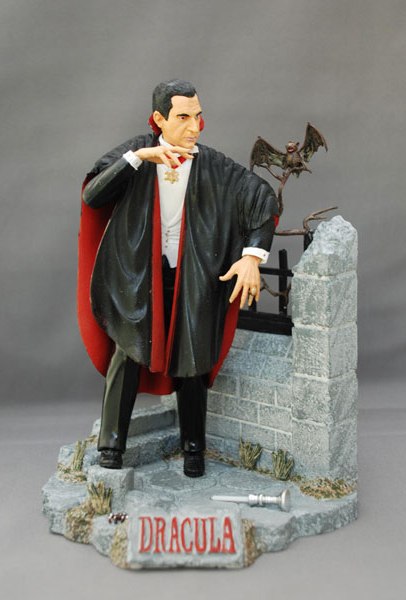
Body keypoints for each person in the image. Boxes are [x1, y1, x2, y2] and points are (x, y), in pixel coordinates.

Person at [78, 79, 279, 477]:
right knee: (127, 353)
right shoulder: (138, 152)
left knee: (193, 356)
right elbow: (93, 195)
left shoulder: (214, 166)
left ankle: (193, 447)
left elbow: (262, 199)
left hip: (193, 277)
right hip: (139, 276)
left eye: (197, 116)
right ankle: (111, 444)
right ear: (159, 118)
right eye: (183, 117)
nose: (193, 126)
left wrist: (252, 256)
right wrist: (139, 158)